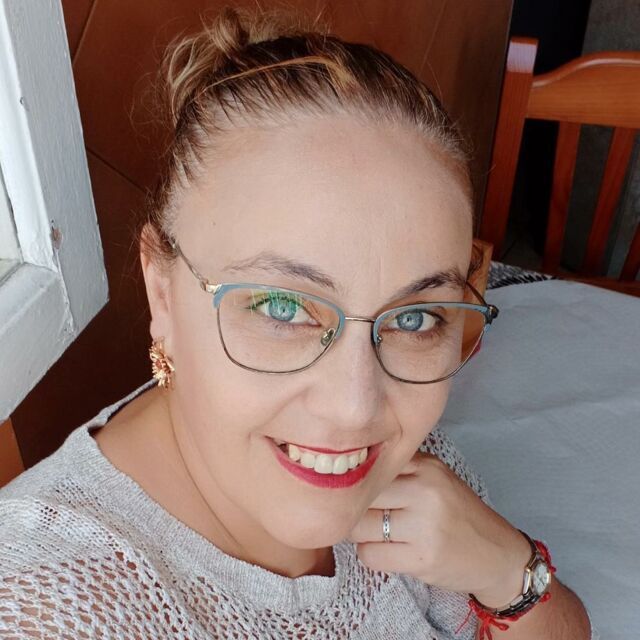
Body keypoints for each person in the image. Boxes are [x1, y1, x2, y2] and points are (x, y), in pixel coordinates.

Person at [0, 6, 594, 639]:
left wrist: (507, 569)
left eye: (414, 316)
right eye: (282, 307)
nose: (355, 409)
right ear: (161, 292)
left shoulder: (413, 466)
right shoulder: (50, 608)